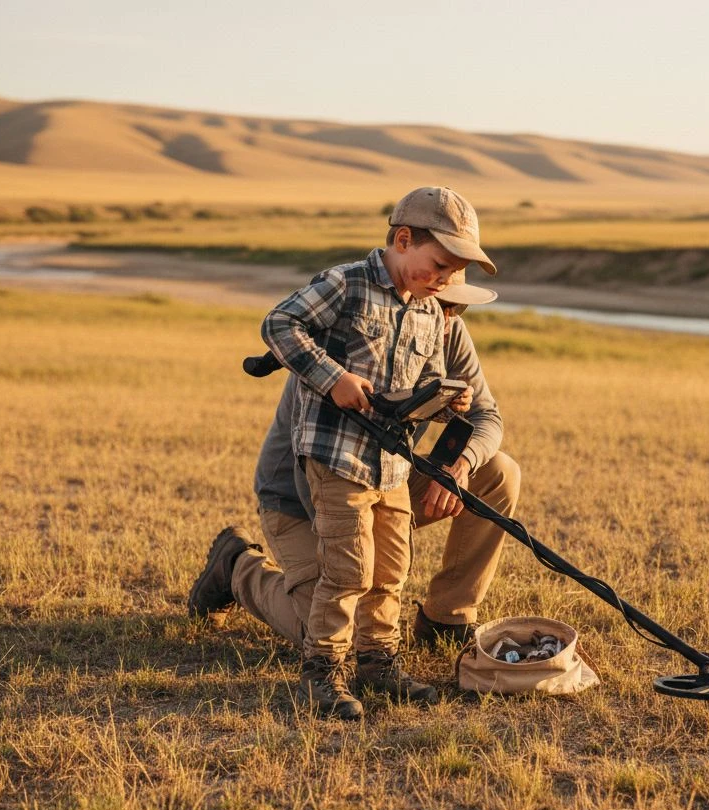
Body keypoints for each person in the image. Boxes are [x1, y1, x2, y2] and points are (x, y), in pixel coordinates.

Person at [210, 187, 496, 721]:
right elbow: (278, 325)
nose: (444, 281)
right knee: (348, 571)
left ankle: (378, 664)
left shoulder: (432, 313)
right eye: (438, 265)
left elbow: (420, 396)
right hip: (332, 461)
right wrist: (333, 376)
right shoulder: (346, 283)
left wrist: (443, 400)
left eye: (454, 274)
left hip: (390, 466)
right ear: (403, 240)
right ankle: (324, 670)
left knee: (390, 569)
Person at [189, 266, 520, 665]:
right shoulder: (359, 331)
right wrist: (363, 550)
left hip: (384, 482)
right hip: (304, 495)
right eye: (440, 303)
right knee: (329, 626)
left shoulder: (447, 329)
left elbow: (487, 417)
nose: (447, 316)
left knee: (497, 471)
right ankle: (238, 567)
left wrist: (459, 465)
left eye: (458, 307)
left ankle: (447, 617)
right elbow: (320, 468)